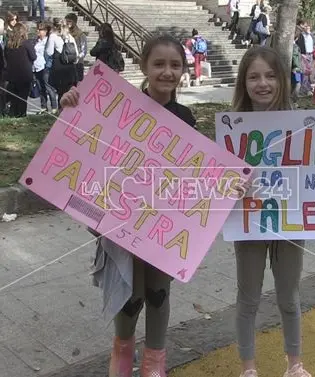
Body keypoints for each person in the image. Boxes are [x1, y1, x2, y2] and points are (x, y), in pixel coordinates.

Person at [59, 34, 197, 377]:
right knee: (129, 292)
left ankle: (154, 362)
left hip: (164, 222)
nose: (167, 72)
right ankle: (122, 355)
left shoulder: (186, 117)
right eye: (159, 64)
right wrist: (70, 105)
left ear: (183, 70)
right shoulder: (118, 107)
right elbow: (82, 143)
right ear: (144, 66)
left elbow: (195, 172)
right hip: (122, 220)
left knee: (158, 292)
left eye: (175, 65)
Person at [231, 46, 312, 377]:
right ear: (243, 82)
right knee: (248, 298)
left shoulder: (304, 123)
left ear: (282, 79)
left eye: (270, 75)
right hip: (248, 222)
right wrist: (228, 184)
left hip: (291, 223)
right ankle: (249, 368)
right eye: (253, 76)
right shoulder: (231, 127)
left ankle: (295, 365)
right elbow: (217, 179)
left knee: (289, 297)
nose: (262, 83)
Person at [4, 22, 36, 117]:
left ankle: (13, 115)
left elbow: (6, 58)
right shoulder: (26, 43)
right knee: (23, 97)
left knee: (14, 98)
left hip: (12, 75)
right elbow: (33, 56)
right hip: (24, 75)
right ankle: (21, 115)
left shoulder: (8, 44)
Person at [46, 18, 78, 107]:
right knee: (69, 92)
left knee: (61, 93)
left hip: (59, 68)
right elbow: (76, 54)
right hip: (70, 68)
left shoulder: (53, 36)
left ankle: (61, 111)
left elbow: (49, 52)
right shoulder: (70, 37)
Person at [33, 21, 58, 114]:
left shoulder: (48, 40)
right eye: (38, 29)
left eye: (41, 29)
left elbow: (50, 54)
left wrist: (48, 66)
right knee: (40, 87)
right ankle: (43, 106)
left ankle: (54, 107)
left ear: (46, 31)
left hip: (45, 67)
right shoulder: (36, 40)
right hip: (36, 67)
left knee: (48, 87)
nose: (38, 31)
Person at [65, 13, 87, 82]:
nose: (67, 23)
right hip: (68, 63)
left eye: (69, 21)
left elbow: (84, 50)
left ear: (74, 22)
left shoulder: (81, 34)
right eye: (67, 21)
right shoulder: (66, 33)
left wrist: (77, 57)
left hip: (78, 63)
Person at [296, 20, 314, 96]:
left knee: (308, 73)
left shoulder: (310, 35)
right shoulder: (301, 35)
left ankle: (308, 88)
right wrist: (302, 54)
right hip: (304, 55)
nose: (307, 28)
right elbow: (300, 46)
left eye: (308, 26)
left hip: (310, 54)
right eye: (305, 26)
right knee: (304, 73)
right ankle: (304, 90)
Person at [291, 31, 302, 108]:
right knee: (298, 84)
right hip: (296, 69)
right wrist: (296, 67)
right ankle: (294, 101)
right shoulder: (295, 47)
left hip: (290, 69)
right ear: (297, 38)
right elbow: (295, 57)